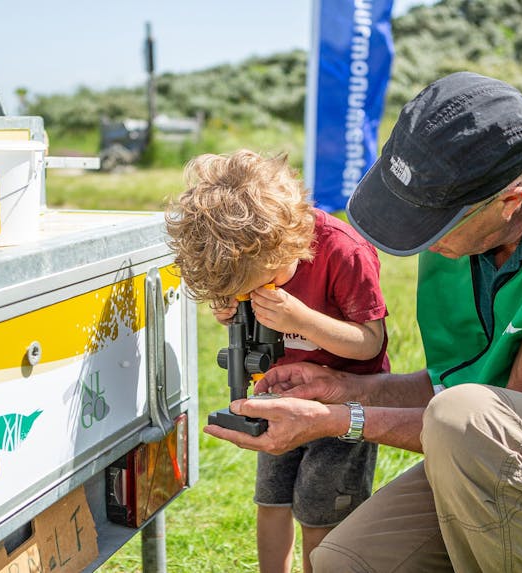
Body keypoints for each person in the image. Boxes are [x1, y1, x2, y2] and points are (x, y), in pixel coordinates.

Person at [204, 71, 522, 572]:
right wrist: (343, 387)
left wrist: (341, 420)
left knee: (467, 420)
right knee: (342, 563)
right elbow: (464, 386)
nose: (420, 240)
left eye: (433, 224)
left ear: (511, 201)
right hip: (505, 448)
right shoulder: (469, 231)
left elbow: (496, 424)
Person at [165, 149, 391, 573]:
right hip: (280, 398)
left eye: (263, 283)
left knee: (320, 512)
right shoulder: (248, 262)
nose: (253, 295)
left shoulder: (344, 252)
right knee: (271, 500)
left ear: (284, 243)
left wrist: (300, 319)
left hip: (344, 407)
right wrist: (231, 311)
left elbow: (370, 344)